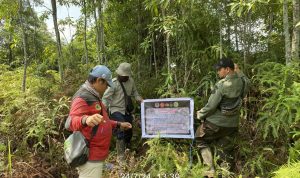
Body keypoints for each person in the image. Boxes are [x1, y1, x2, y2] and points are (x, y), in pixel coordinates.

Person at [68, 65, 132, 178]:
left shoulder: (94, 96)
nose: (107, 88)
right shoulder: (83, 97)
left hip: (96, 156)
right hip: (90, 157)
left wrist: (118, 124)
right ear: (99, 81)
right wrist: (85, 119)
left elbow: (103, 121)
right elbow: (70, 122)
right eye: (106, 85)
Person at [195, 58, 250, 177]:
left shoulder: (221, 85)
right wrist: (239, 71)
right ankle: (224, 173)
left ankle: (210, 170)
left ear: (227, 69)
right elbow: (246, 81)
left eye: (219, 69)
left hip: (216, 124)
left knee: (200, 138)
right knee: (225, 147)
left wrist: (200, 114)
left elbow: (210, 106)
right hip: (232, 125)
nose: (218, 72)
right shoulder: (243, 82)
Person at [102, 62, 143, 164]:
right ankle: (120, 156)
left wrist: (140, 100)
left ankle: (127, 149)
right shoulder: (113, 83)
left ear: (128, 75)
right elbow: (106, 99)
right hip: (116, 110)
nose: (121, 76)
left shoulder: (131, 81)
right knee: (121, 130)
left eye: (123, 75)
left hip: (127, 111)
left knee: (129, 130)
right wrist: (103, 111)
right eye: (120, 74)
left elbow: (135, 93)